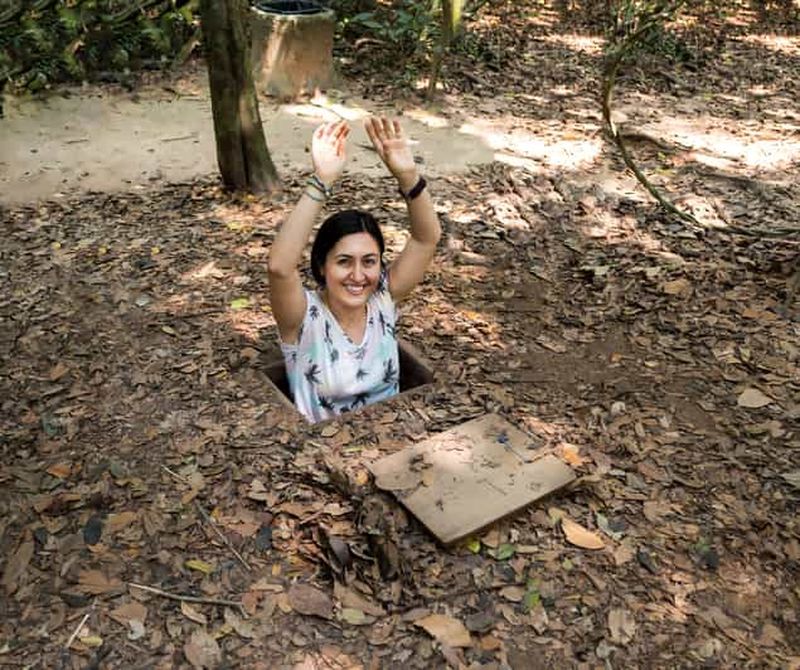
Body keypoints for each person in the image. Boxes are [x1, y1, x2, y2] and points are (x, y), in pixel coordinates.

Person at [267, 117, 441, 423]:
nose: (358, 276)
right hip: (323, 457)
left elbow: (427, 238)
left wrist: (408, 176)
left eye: (369, 261)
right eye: (344, 261)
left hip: (394, 442)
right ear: (322, 265)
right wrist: (321, 182)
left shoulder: (383, 299)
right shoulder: (303, 317)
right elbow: (280, 268)